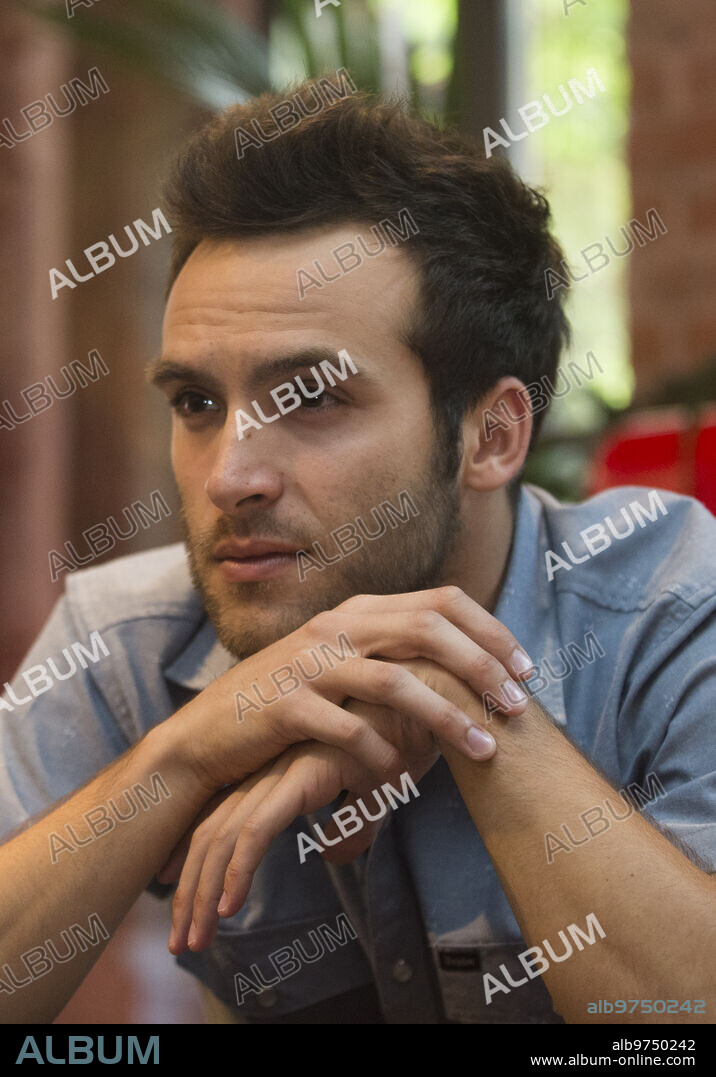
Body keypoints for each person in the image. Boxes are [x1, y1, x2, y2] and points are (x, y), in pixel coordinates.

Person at [1, 77, 714, 1026]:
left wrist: (470, 706)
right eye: (197, 405)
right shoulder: (124, 639)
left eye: (311, 399)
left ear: (492, 436)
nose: (229, 476)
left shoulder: (667, 611)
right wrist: (178, 759)